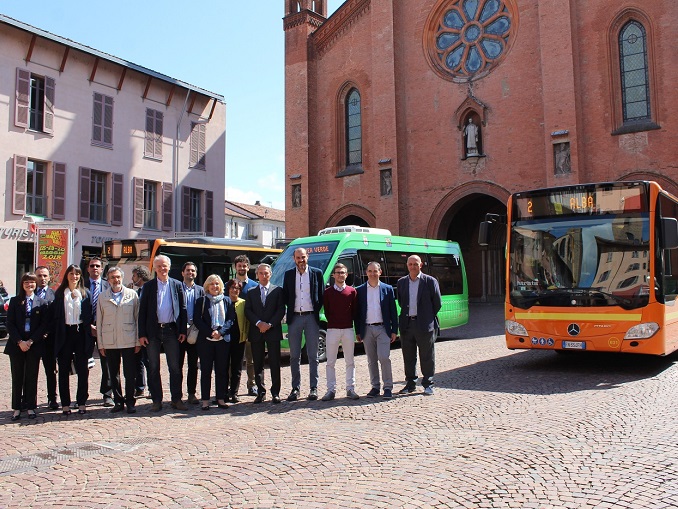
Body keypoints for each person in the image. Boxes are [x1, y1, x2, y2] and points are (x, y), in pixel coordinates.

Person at [138, 255, 188, 412]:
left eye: (164, 265)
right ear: (154, 268)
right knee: (153, 367)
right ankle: (156, 400)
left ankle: (176, 399)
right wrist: (142, 334)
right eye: (159, 266)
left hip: (171, 330)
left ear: (169, 267)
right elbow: (142, 311)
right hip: (152, 331)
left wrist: (182, 330)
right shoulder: (149, 286)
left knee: (175, 367)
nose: (162, 268)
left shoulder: (177, 285)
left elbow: (183, 309)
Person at [96, 267, 140, 414]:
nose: (116, 280)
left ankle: (130, 401)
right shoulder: (102, 297)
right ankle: (118, 401)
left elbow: (137, 319)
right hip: (110, 340)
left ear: (122, 278)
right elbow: (99, 322)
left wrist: (137, 341)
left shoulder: (132, 295)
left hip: (128, 339)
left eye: (118, 277)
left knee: (130, 373)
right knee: (113, 373)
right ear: (108, 280)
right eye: (112, 277)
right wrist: (100, 344)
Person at [5, 273, 49, 420]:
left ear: (36, 284)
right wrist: (19, 341)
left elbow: (43, 325)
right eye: (26, 282)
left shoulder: (42, 302)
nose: (29, 285)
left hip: (33, 345)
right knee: (17, 376)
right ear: (22, 284)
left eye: (32, 282)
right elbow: (10, 323)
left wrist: (30, 341)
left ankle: (30, 407)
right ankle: (17, 408)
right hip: (16, 345)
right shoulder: (14, 301)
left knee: (32, 376)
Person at [282, 247, 324, 401]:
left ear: (308, 257)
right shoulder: (288, 275)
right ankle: (295, 388)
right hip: (295, 318)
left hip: (311, 317)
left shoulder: (316, 273)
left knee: (313, 355)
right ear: (294, 259)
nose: (301, 260)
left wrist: (315, 310)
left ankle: (313, 388)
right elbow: (286, 295)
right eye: (298, 258)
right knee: (294, 356)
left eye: (303, 257)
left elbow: (321, 295)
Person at [397, 255, 442, 396]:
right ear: (407, 265)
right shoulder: (401, 282)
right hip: (407, 324)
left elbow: (437, 303)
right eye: (410, 264)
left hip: (424, 324)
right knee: (408, 356)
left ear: (421, 265)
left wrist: (426, 316)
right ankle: (410, 384)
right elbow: (401, 302)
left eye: (415, 264)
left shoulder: (430, 281)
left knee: (427, 356)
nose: (413, 266)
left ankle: (428, 384)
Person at [53, 264, 93, 414]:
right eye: (71, 273)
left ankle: (81, 402)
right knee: (63, 370)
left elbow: (89, 315)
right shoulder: (59, 294)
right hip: (65, 334)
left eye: (77, 274)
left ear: (80, 276)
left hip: (80, 333)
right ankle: (65, 404)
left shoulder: (85, 293)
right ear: (67, 275)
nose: (74, 276)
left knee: (83, 370)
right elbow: (55, 316)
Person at [355, 262, 398, 399]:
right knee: (371, 360)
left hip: (383, 329)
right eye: (370, 271)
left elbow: (393, 311)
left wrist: (394, 330)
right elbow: (357, 313)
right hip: (367, 329)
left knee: (384, 357)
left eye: (375, 271)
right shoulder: (360, 290)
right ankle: (375, 387)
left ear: (380, 272)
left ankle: (388, 387)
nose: (372, 273)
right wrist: (358, 331)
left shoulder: (387, 289)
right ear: (366, 272)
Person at [245, 264, 285, 404]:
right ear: (257, 275)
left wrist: (269, 324)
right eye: (261, 273)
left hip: (272, 330)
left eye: (266, 273)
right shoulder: (251, 292)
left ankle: (275, 393)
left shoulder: (278, 290)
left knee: (274, 363)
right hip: (256, 331)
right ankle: (261, 392)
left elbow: (281, 310)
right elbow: (248, 310)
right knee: (258, 363)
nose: (263, 276)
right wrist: (259, 323)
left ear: (270, 274)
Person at [193, 274, 235, 410]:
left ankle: (220, 398)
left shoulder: (227, 300)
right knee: (206, 371)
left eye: (217, 284)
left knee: (221, 371)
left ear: (220, 286)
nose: (214, 286)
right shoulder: (201, 301)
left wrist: (221, 332)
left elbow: (230, 319)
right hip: (206, 340)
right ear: (207, 286)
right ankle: (205, 400)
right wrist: (210, 332)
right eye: (211, 284)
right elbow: (197, 319)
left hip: (222, 340)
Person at [321, 263, 359, 401]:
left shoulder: (352, 291)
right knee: (330, 362)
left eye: (342, 272)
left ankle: (350, 388)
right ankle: (331, 390)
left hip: (348, 329)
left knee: (350, 361)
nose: (340, 275)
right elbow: (327, 311)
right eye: (338, 272)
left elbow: (354, 311)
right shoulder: (327, 293)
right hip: (332, 329)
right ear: (333, 275)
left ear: (346, 275)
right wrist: (334, 322)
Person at [84, 257, 113, 407]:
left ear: (102, 269)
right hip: (86, 329)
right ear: (88, 268)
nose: (94, 268)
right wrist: (88, 325)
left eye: (97, 266)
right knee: (84, 363)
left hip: (105, 328)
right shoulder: (81, 285)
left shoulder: (109, 285)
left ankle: (107, 394)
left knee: (107, 362)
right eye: (92, 266)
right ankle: (82, 395)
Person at [233, 254, 258, 396]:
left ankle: (252, 384)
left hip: (250, 326)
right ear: (235, 267)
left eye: (244, 265)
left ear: (248, 267)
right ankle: (232, 386)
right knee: (234, 360)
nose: (242, 268)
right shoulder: (229, 285)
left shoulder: (254, 285)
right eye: (239, 266)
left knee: (251, 359)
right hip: (234, 327)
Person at [180, 262, 204, 405]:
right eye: (188, 270)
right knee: (177, 365)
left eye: (193, 271)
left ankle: (191, 393)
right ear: (182, 273)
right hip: (179, 332)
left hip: (195, 332)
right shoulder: (177, 288)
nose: (190, 273)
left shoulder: (201, 290)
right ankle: (177, 395)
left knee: (193, 365)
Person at [35, 265, 58, 410]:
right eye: (39, 276)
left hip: (49, 340)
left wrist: (47, 332)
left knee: (50, 371)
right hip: (32, 340)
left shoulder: (54, 295)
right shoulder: (29, 293)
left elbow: (56, 317)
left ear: (49, 278)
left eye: (45, 276)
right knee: (30, 371)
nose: (42, 278)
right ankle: (28, 399)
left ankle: (52, 398)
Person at [225, 279, 249, 403]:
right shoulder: (223, 301)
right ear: (228, 289)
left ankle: (234, 392)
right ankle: (223, 393)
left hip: (239, 339)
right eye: (232, 287)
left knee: (237, 367)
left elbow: (247, 320)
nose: (234, 290)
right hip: (224, 339)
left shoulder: (243, 303)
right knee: (224, 367)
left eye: (237, 288)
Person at [130, 265, 151, 398]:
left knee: (149, 361)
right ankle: (140, 387)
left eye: (134, 276)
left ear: (141, 276)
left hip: (148, 331)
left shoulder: (150, 289)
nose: (132, 279)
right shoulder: (137, 292)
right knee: (138, 360)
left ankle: (152, 388)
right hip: (137, 331)